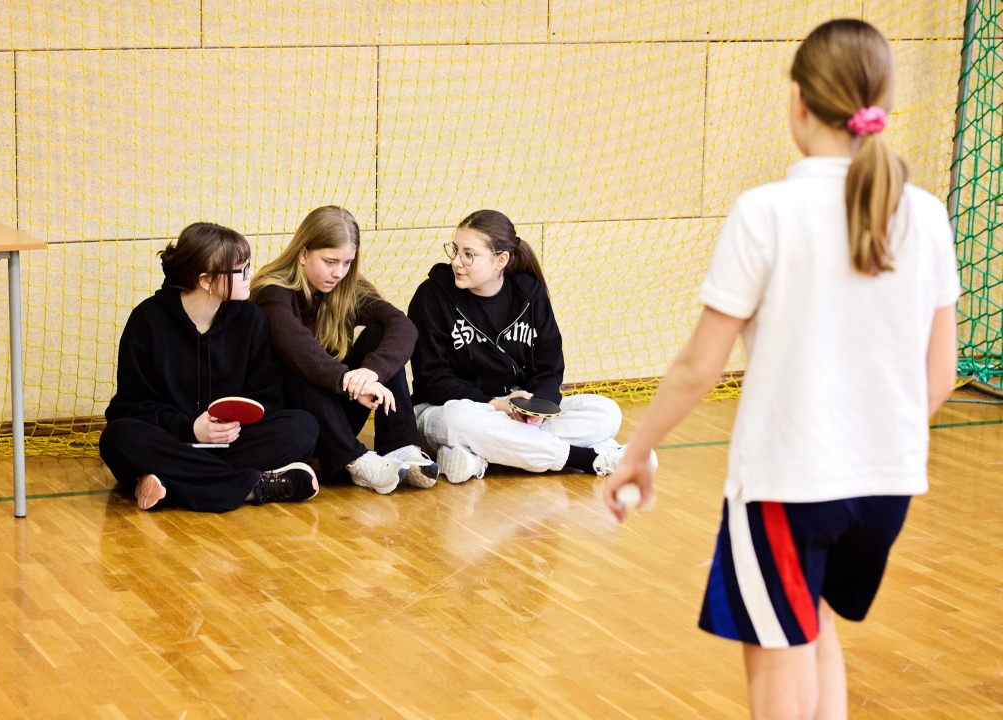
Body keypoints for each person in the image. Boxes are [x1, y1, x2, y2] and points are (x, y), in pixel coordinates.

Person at [603, 19, 959, 718]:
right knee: (813, 624)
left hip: (787, 488)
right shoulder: (926, 212)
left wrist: (635, 453)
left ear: (797, 101)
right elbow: (939, 375)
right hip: (886, 492)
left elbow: (699, 367)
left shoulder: (765, 211)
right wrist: (875, 446)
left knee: (776, 677)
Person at [407, 208, 641, 484]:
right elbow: (432, 379)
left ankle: (479, 457)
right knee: (461, 420)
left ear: (500, 260)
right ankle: (589, 458)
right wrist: (495, 405)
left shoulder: (529, 293)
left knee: (606, 412)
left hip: (517, 411)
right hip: (452, 410)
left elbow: (550, 368)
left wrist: (537, 411)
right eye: (455, 250)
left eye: (469, 254)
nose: (457, 261)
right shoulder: (432, 296)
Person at [99, 222, 320, 512]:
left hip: (230, 443)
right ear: (205, 280)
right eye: (241, 270)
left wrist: (231, 424)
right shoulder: (147, 321)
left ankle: (170, 482)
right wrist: (190, 428)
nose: (250, 275)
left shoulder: (251, 319)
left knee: (303, 427)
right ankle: (254, 487)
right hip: (172, 440)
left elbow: (267, 398)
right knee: (118, 438)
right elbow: (128, 407)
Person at [250, 206, 437, 495]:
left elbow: (403, 325)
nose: (339, 272)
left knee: (380, 336)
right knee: (296, 362)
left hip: (339, 409)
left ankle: (400, 448)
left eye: (347, 262)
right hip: (297, 423)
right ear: (302, 254)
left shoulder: (347, 287)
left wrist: (371, 372)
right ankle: (354, 460)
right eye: (330, 261)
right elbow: (299, 349)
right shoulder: (272, 292)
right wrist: (346, 381)